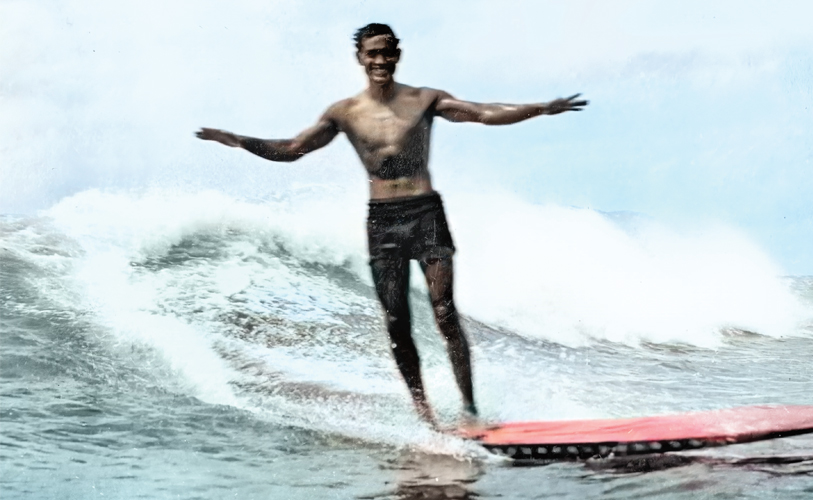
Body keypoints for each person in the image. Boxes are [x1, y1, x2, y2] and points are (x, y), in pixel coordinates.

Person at [195, 23, 586, 428]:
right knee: (397, 322)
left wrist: (541, 108)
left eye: (387, 52)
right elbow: (294, 149)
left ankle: (470, 411)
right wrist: (240, 141)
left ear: (397, 55)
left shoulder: (425, 100)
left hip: (425, 213)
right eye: (372, 53)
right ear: (360, 58)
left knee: (445, 312)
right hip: (383, 223)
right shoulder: (344, 113)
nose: (379, 60)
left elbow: (483, 113)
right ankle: (426, 416)